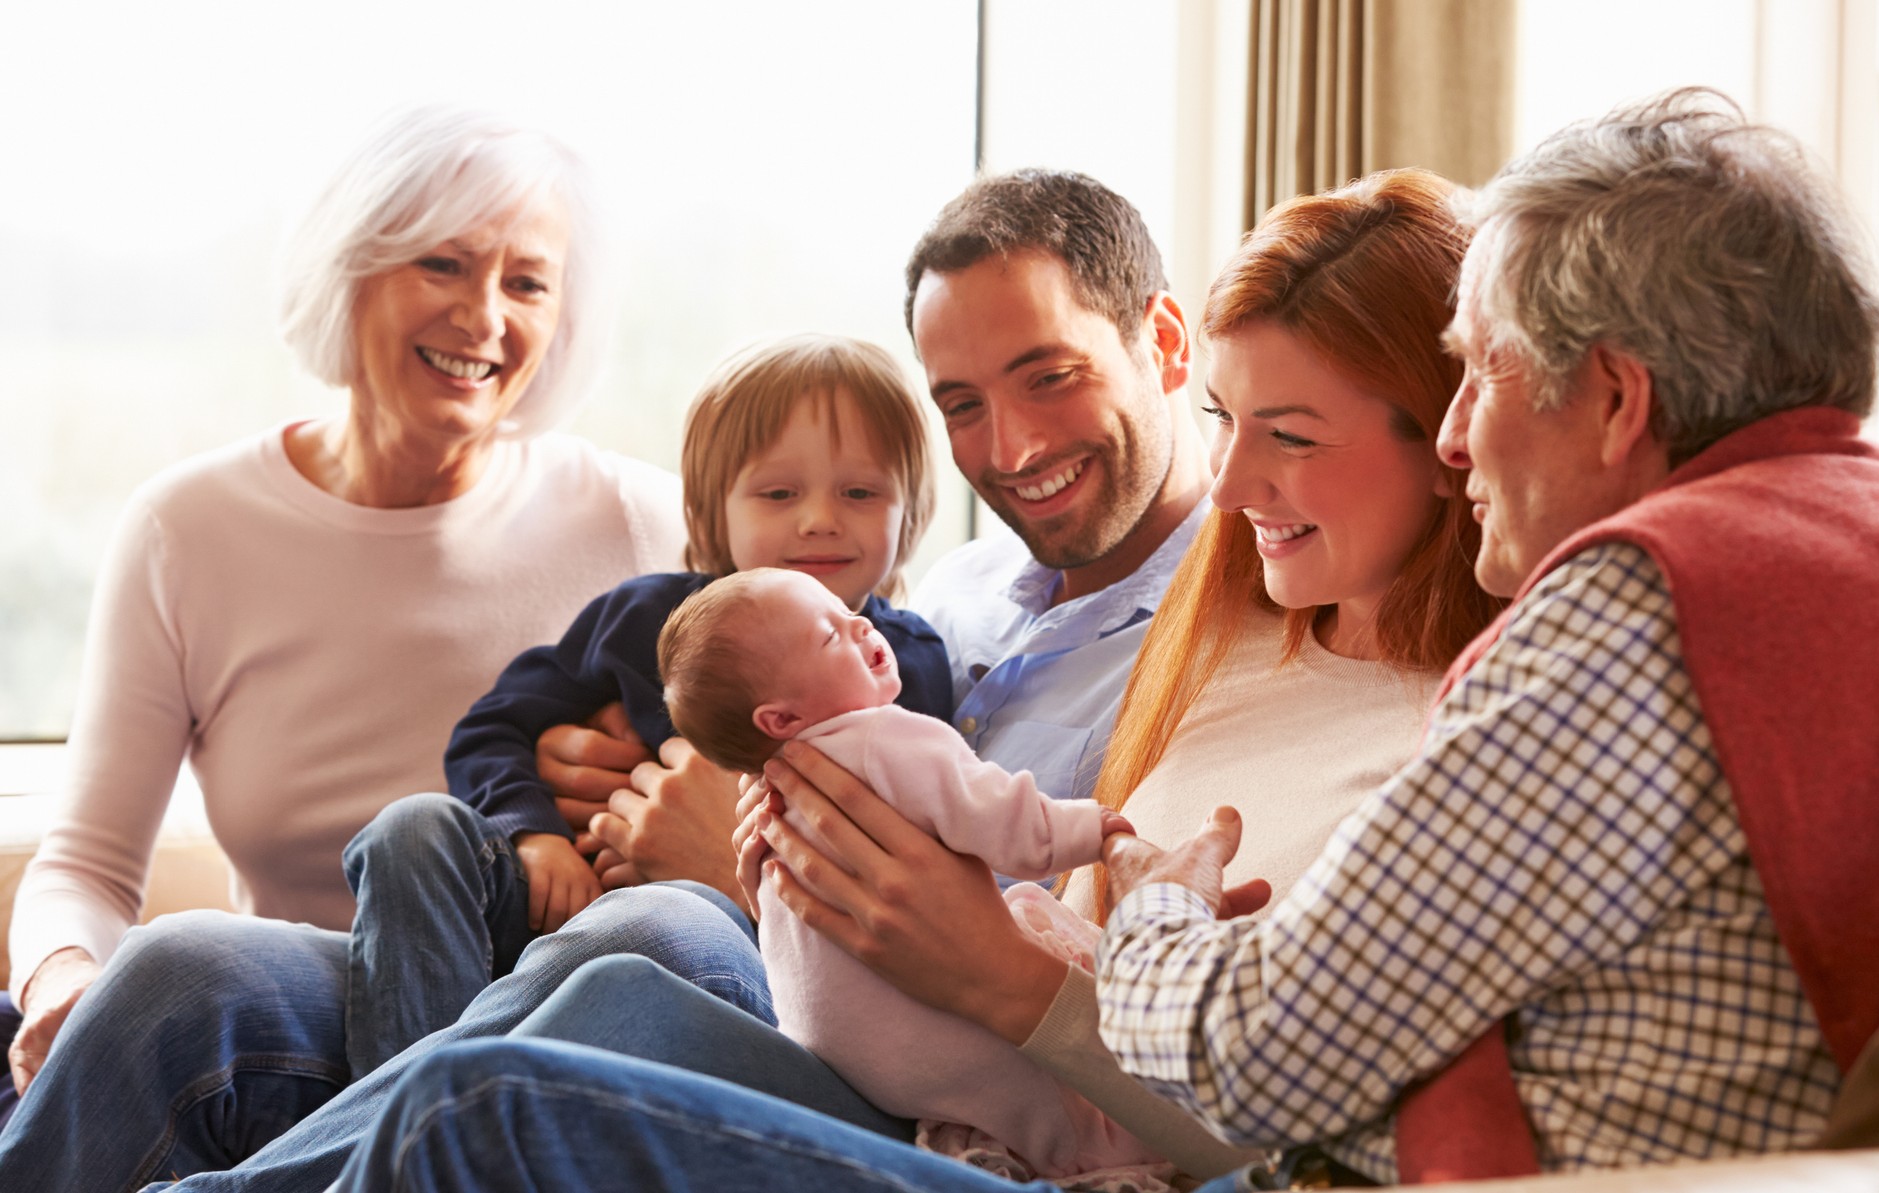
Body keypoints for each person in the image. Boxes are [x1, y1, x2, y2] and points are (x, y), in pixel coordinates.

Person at [0, 168, 1218, 1193]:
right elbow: (636, 674)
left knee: (646, 930)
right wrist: (553, 794)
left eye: (1048, 374)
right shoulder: (950, 590)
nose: (1005, 446)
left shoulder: (1218, 637)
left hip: (861, 1025)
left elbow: (1062, 939)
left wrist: (716, 859)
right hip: (625, 945)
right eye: (962, 401)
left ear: (1166, 346)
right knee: (188, 974)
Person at [320, 167, 1505, 1193]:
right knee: (219, 979)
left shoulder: (1456, 732)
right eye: (1229, 424)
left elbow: (1295, 1122)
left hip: (1038, 1115)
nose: (1237, 482)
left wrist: (983, 966)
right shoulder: (1172, 623)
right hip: (928, 1046)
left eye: (1289, 435)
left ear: (1454, 433)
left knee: (525, 1054)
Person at [1090, 87, 1879, 1185]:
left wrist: (1153, 908)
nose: (1458, 439)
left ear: (1613, 399)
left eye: (1484, 372)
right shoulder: (1860, 544)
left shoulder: (1645, 614)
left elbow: (1257, 1051)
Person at [0, 105, 687, 1104]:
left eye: (526, 282)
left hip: (545, 1033)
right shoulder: (186, 530)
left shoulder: (640, 522)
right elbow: (89, 868)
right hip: (284, 1040)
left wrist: (659, 797)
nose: (485, 315)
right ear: (352, 267)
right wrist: (62, 972)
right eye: (443, 265)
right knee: (175, 972)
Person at [339, 335, 955, 1077]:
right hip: (551, 898)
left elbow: (912, 837)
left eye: (860, 493)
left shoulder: (906, 662)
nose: (820, 519)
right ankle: (399, 1110)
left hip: (715, 948)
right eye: (778, 493)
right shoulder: (646, 619)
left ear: (911, 511)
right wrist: (535, 837)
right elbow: (495, 726)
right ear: (710, 509)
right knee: (410, 827)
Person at [660, 567, 1160, 1183]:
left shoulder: (769, 798)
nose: (862, 623)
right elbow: (1012, 827)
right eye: (829, 636)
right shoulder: (888, 739)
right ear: (780, 720)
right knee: (1041, 1084)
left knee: (645, 927)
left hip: (833, 1053)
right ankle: (1091, 1156)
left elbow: (780, 921)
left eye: (849, 613)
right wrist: (1100, 830)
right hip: (940, 1037)